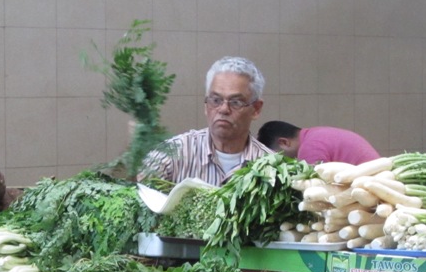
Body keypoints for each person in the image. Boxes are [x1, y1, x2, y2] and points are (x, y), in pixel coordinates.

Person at [140, 56, 272, 185]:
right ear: (205, 105)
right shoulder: (172, 154)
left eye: (236, 102)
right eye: (216, 100)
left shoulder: (272, 169)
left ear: (256, 109)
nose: (224, 109)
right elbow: (134, 195)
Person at [257, 120, 380, 166]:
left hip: (370, 187)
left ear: (284, 142)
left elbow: (315, 191)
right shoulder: (315, 134)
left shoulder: (309, 148)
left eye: (277, 155)